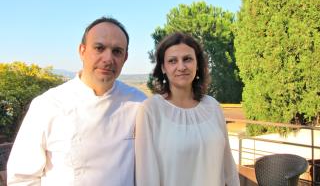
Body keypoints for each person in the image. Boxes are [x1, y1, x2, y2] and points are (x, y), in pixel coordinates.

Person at [7, 17, 147, 185]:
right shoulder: (47, 105)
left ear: (125, 58)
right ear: (82, 51)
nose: (108, 59)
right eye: (99, 48)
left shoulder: (140, 104)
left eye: (117, 51)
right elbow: (22, 178)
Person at [135, 32, 240, 186]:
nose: (181, 66)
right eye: (172, 61)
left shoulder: (212, 106)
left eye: (187, 59)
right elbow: (146, 176)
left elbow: (228, 164)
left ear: (197, 64)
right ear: (163, 68)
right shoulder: (151, 110)